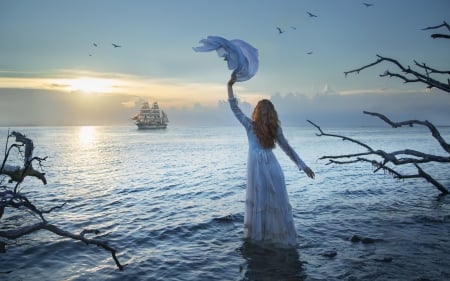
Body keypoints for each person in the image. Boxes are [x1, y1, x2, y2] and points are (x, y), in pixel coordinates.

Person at [227, 74, 315, 248]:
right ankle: (277, 238)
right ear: (273, 114)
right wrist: (303, 166)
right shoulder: (274, 128)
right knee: (275, 204)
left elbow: (234, 107)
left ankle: (260, 239)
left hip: (258, 171)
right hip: (273, 169)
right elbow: (288, 149)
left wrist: (229, 85)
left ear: (256, 112)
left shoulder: (249, 125)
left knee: (260, 204)